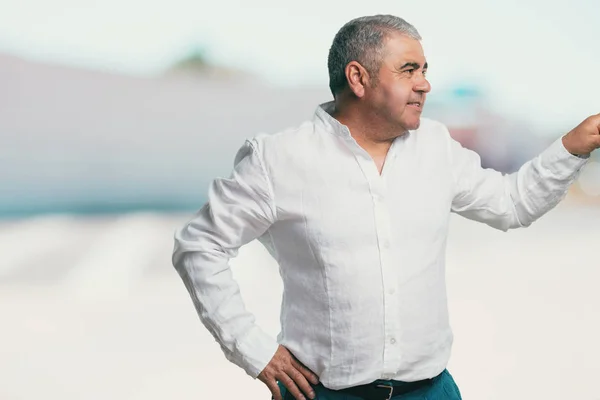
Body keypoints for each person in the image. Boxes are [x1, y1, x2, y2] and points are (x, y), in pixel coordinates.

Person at [172, 14, 599, 400]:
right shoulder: (278, 160)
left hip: (432, 392)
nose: (425, 83)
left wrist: (575, 144)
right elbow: (200, 247)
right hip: (323, 395)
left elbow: (514, 203)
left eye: (425, 69)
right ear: (358, 78)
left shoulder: (436, 147)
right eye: (409, 70)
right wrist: (254, 349)